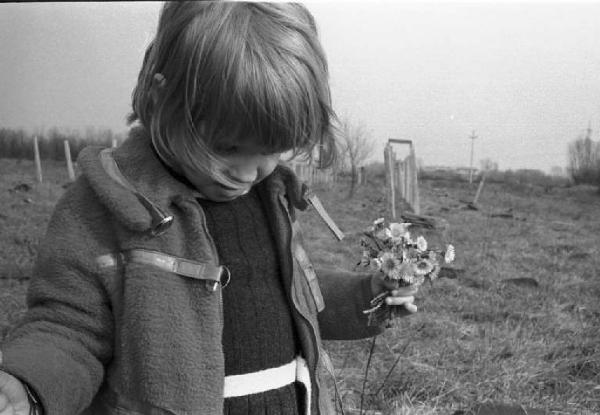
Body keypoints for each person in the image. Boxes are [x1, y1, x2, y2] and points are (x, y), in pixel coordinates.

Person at [0, 2, 418, 415]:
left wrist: (369, 297)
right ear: (164, 98)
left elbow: (294, 294)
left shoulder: (269, 199)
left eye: (273, 150)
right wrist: (31, 383)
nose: (251, 171)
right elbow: (68, 325)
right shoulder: (106, 207)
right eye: (228, 148)